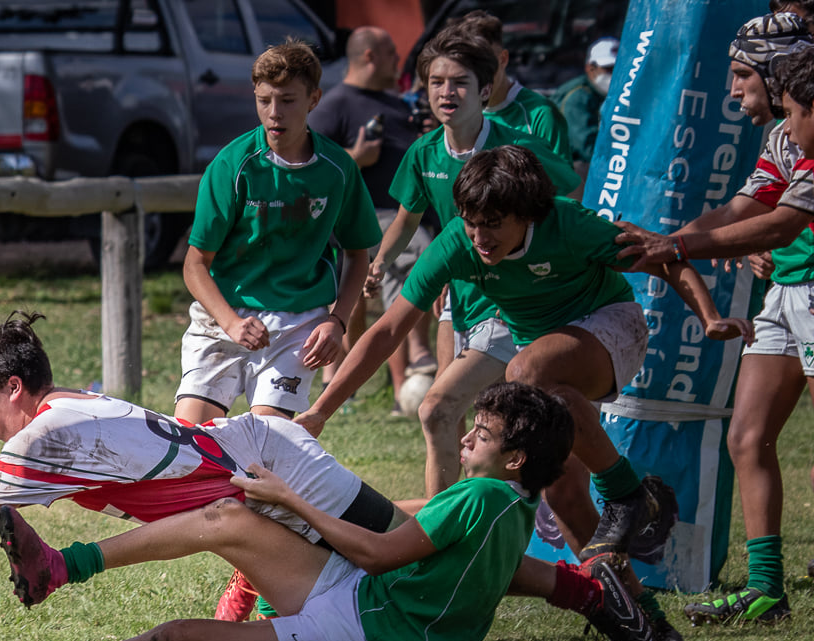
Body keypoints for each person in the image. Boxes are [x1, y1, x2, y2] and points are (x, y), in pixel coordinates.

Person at [302, 145, 756, 641]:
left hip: (613, 328)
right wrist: (320, 411)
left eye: (493, 224)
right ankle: (646, 625)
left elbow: (662, 257)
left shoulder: (570, 225)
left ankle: (628, 494)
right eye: (471, 224)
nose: (479, 238)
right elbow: (386, 330)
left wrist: (709, 315)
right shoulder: (458, 242)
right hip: (547, 369)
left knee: (525, 375)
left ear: (529, 214)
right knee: (563, 494)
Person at [0, 382, 659, 641]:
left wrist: (292, 500)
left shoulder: (479, 496)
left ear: (513, 458)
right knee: (226, 517)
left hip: (369, 636)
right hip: (360, 600)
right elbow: (511, 575)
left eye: (482, 432)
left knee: (175, 640)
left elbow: (381, 553)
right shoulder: (506, 509)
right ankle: (63, 567)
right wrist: (596, 599)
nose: (468, 434)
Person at [0, 312, 409, 565]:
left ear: (13, 389)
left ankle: (483, 517)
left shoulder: (48, 434)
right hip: (260, 461)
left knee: (412, 552)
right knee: (397, 556)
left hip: (275, 466)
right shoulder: (62, 407)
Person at [615, 17, 814, 624]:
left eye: (740, 75)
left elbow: (781, 223)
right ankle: (766, 589)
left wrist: (675, 249)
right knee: (745, 437)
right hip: (784, 294)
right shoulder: (783, 139)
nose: (733, 91)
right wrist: (663, 240)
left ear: (776, 73)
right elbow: (742, 209)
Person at [363, 31, 579, 496]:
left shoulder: (517, 147)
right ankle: (450, 527)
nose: (446, 92)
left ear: (485, 89)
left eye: (459, 82)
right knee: (454, 419)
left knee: (474, 414)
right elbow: (407, 218)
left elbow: (569, 195)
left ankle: (480, 527)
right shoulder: (424, 153)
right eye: (436, 82)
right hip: (456, 301)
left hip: (514, 303)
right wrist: (379, 261)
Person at [174, 39, 380, 427]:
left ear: (314, 99)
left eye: (287, 100)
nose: (273, 113)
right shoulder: (232, 166)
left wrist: (337, 321)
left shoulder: (337, 169)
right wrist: (232, 323)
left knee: (267, 440)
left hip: (297, 320)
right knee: (189, 439)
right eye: (264, 100)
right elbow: (195, 265)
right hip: (223, 317)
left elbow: (357, 253)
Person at [307, 26, 437, 411]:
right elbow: (308, 166)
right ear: (370, 57)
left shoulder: (396, 103)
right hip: (364, 219)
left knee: (402, 276)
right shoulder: (336, 105)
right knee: (417, 257)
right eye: (392, 55)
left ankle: (403, 389)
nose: (399, 63)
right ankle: (418, 352)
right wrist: (355, 158)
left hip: (410, 214)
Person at [448, 10, 571, 161]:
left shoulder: (540, 115)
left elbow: (562, 182)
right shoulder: (456, 113)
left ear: (503, 59)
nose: (479, 74)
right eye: (469, 65)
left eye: (486, 63)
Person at [551, 37, 618, 169]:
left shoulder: (610, 95)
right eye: (608, 69)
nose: (614, 74)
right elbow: (588, 148)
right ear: (590, 68)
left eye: (618, 69)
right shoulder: (577, 98)